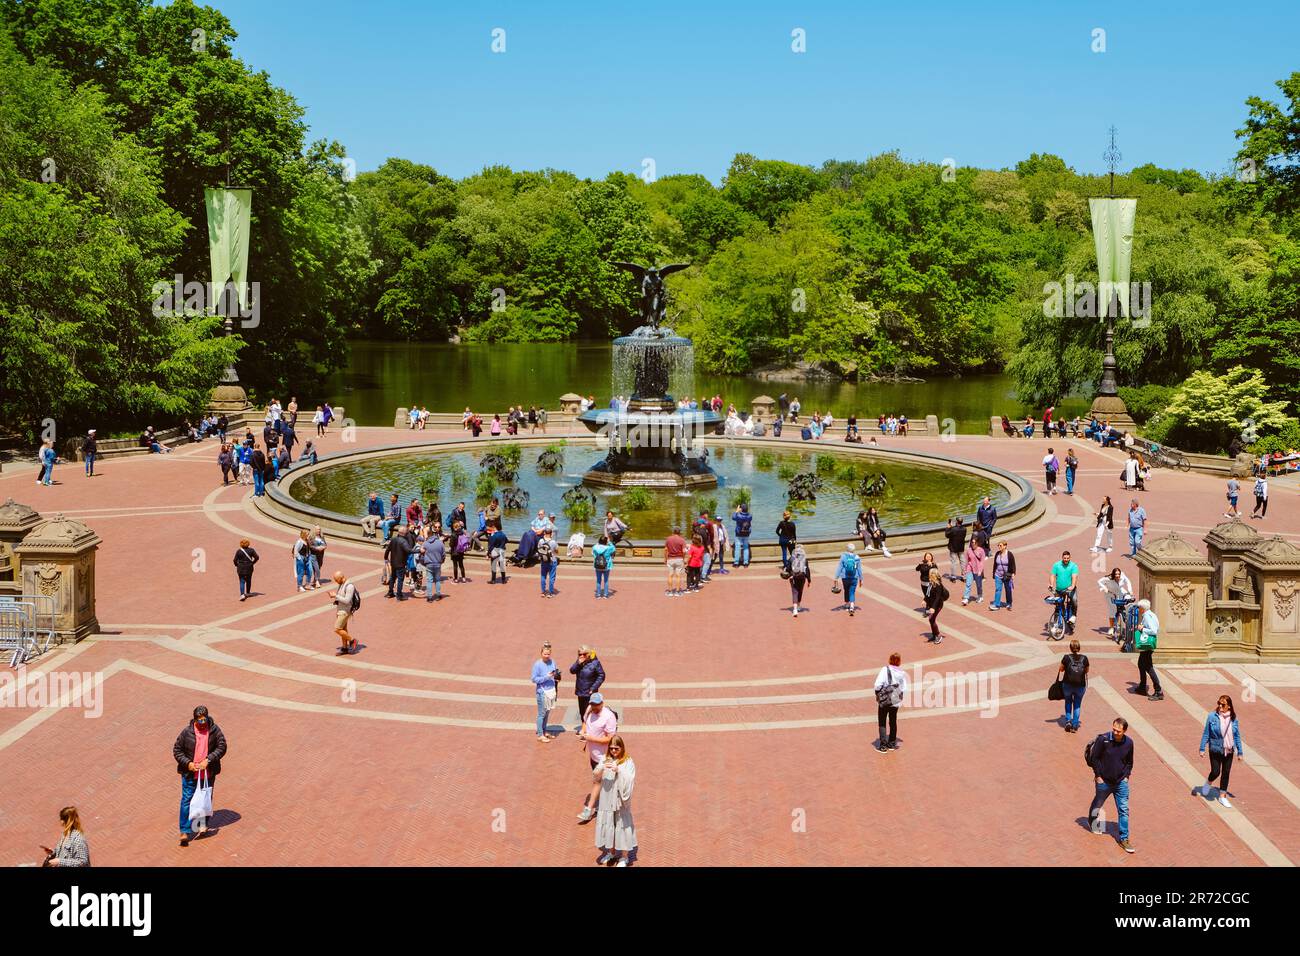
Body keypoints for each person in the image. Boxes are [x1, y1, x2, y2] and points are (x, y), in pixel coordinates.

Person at [173, 705, 227, 846]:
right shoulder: (186, 733)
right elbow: (177, 750)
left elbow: (222, 746)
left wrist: (208, 760)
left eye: (204, 720)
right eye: (200, 721)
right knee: (187, 800)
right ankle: (184, 831)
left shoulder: (214, 730)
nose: (202, 723)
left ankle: (201, 825)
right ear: (195, 719)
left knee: (204, 799)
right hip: (190, 774)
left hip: (208, 774)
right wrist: (188, 763)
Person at [1086, 717, 1136, 853]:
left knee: (1124, 810)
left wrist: (1126, 776)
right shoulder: (1104, 740)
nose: (1115, 732)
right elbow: (1094, 758)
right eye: (1113, 729)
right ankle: (1092, 819)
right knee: (1098, 803)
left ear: (1124, 731)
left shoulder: (1129, 743)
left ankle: (1124, 839)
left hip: (1121, 783)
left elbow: (1129, 762)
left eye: (1118, 731)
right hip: (1104, 782)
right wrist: (1098, 776)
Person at [594, 734, 637, 866]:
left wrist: (619, 770)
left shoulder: (627, 761)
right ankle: (611, 851)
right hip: (607, 800)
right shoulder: (605, 759)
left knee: (622, 825)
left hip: (620, 802)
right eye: (611, 748)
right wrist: (601, 768)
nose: (613, 751)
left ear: (622, 748)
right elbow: (595, 776)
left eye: (616, 748)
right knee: (609, 825)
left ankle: (624, 857)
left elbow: (630, 778)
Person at [577, 693, 618, 821]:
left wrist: (590, 738)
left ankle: (588, 810)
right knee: (604, 782)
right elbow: (585, 722)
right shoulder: (589, 710)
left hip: (605, 757)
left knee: (597, 781)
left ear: (602, 703)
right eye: (592, 704)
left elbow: (610, 739)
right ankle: (609, 805)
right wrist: (583, 731)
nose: (594, 707)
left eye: (596, 704)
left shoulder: (609, 717)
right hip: (593, 756)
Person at [1198, 695, 1245, 808]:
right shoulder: (1212, 716)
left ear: (1229, 706)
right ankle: (1208, 783)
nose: (1220, 706)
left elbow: (1237, 736)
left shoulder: (1234, 719)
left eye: (1223, 704)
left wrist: (1240, 752)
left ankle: (1222, 796)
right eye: (1218, 703)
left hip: (1229, 750)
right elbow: (1206, 733)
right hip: (1215, 749)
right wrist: (1202, 748)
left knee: (1226, 773)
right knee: (1215, 771)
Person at [873, 652, 908, 753]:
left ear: (890, 660)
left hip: (885, 700)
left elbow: (878, 684)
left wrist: (878, 693)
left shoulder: (885, 670)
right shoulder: (902, 673)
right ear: (899, 661)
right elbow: (904, 688)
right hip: (895, 701)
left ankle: (883, 746)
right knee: (893, 721)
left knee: (882, 721)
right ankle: (892, 743)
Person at [1131, 598, 1163, 700]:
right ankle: (1142, 686)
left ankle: (1158, 690)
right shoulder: (1151, 614)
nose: (1138, 609)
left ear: (1142, 608)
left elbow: (1153, 631)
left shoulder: (1147, 617)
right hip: (1148, 646)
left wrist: (1142, 629)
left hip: (1147, 645)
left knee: (1148, 667)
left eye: (1139, 607)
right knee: (1141, 664)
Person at [1056, 639, 1089, 733]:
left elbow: (1061, 669)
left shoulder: (1066, 657)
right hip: (1080, 685)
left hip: (1067, 684)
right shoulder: (1084, 658)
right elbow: (1087, 671)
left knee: (1068, 702)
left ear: (1070, 648)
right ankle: (1075, 725)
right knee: (1077, 705)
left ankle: (1068, 721)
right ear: (1079, 647)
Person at [531, 642, 561, 742]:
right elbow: (534, 679)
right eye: (545, 654)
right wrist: (546, 677)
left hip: (551, 690)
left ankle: (544, 731)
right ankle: (540, 734)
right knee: (541, 714)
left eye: (548, 654)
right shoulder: (537, 664)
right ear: (541, 653)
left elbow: (555, 672)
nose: (547, 656)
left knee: (547, 713)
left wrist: (557, 676)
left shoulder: (552, 662)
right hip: (542, 692)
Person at [569, 646, 606, 727]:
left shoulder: (595, 663)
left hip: (590, 692)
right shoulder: (579, 662)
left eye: (584, 654)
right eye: (580, 654)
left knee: (590, 711)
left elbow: (601, 675)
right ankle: (584, 728)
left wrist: (593, 688)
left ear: (588, 654)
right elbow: (572, 670)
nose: (582, 656)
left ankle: (589, 729)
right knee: (582, 711)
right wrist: (578, 663)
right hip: (580, 691)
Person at [1098, 567, 1134, 639]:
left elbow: (1128, 581)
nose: (1117, 576)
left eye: (1119, 574)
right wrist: (1105, 588)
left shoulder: (1122, 575)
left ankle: (1125, 618)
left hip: (1119, 591)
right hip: (1110, 594)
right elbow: (1099, 581)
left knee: (1127, 599)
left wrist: (1130, 590)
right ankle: (1111, 628)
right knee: (1112, 610)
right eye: (1116, 574)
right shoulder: (1108, 578)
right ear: (1113, 574)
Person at [1048, 549, 1079, 631]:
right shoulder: (1056, 565)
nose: (1066, 560)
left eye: (1067, 558)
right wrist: (1051, 584)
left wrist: (1072, 586)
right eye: (1064, 558)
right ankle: (1056, 623)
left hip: (1070, 589)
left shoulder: (1073, 566)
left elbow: (1074, 577)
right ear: (1062, 557)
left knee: (1074, 601)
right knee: (1058, 606)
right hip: (1059, 589)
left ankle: (1073, 617)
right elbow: (1052, 575)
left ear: (1070, 558)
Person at [329, 570, 358, 654]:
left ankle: (352, 640)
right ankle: (345, 648)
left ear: (341, 578)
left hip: (345, 611)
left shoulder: (349, 586)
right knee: (343, 629)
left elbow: (347, 600)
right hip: (340, 610)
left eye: (336, 580)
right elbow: (341, 597)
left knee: (337, 629)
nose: (336, 582)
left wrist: (336, 596)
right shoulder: (341, 584)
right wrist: (335, 597)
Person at [385, 525, 412, 599]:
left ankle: (390, 592)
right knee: (400, 579)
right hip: (401, 564)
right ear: (404, 533)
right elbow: (409, 550)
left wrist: (385, 558)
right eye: (407, 532)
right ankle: (399, 595)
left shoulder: (393, 539)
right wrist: (419, 550)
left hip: (393, 563)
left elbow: (388, 550)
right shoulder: (404, 541)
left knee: (392, 578)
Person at [835, 542, 862, 615]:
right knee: (852, 591)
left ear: (847, 549)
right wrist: (861, 578)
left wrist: (836, 577)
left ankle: (847, 605)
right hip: (854, 577)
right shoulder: (857, 557)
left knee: (846, 590)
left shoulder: (843, 556)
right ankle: (852, 606)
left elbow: (840, 567)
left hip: (845, 577)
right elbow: (859, 569)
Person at [420, 528, 446, 601]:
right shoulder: (440, 543)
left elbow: (421, 551)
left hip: (429, 564)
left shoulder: (425, 543)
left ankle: (429, 596)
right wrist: (442, 561)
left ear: (428, 535)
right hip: (438, 563)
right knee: (437, 580)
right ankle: (438, 594)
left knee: (429, 580)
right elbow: (443, 554)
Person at [990, 540, 1016, 610]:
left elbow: (1013, 564)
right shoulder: (997, 554)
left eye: (1000, 545)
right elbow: (995, 564)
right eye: (998, 545)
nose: (999, 547)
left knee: (1008, 590)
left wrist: (1013, 573)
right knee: (998, 589)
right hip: (998, 574)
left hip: (1007, 576)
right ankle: (996, 604)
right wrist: (993, 574)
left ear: (1005, 546)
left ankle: (1009, 603)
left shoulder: (1009, 554)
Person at [924, 568, 948, 643]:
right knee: (931, 620)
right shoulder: (931, 583)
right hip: (932, 604)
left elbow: (937, 598)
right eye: (930, 574)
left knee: (931, 619)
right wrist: (924, 600)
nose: (930, 575)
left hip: (938, 605)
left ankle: (938, 635)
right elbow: (928, 593)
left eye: (931, 574)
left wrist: (933, 608)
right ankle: (934, 635)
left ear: (935, 575)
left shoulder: (938, 585)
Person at [962, 536, 986, 606]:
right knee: (968, 583)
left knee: (979, 585)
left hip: (978, 570)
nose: (973, 544)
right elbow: (966, 561)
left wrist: (980, 571)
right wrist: (964, 570)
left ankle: (980, 595)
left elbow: (982, 562)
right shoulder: (968, 550)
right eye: (972, 542)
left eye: (974, 542)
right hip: (970, 569)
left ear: (977, 543)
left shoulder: (981, 550)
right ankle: (966, 598)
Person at [788, 542, 810, 616]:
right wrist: (809, 580)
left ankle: (794, 609)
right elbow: (807, 570)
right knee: (800, 591)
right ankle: (799, 605)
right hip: (802, 577)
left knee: (794, 592)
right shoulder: (805, 559)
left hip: (793, 577)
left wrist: (789, 575)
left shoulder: (791, 558)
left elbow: (788, 569)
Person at [664, 526, 687, 596]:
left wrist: (665, 558)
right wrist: (683, 558)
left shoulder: (668, 539)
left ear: (673, 531)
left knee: (670, 575)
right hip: (679, 559)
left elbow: (665, 550)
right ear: (679, 532)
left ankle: (670, 591)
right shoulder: (682, 540)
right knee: (678, 576)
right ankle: (677, 591)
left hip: (670, 559)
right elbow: (684, 551)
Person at [591, 534, 615, 598]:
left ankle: (598, 594)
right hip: (606, 566)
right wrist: (609, 542)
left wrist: (599, 542)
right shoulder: (609, 548)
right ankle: (606, 595)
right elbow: (614, 548)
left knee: (598, 580)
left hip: (597, 566)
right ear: (606, 542)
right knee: (606, 580)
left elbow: (593, 553)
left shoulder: (595, 547)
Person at [537, 527, 559, 597]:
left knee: (543, 576)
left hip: (543, 561)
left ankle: (543, 592)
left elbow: (539, 549)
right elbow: (557, 551)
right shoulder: (553, 542)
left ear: (544, 533)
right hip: (552, 561)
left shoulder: (541, 541)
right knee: (552, 577)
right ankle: (550, 593)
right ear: (551, 534)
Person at [944, 516, 966, 582]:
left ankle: (953, 577)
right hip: (961, 547)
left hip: (953, 548)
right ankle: (964, 576)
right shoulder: (964, 529)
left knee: (953, 562)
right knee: (962, 562)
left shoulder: (953, 529)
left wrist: (948, 528)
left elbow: (947, 535)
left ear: (957, 522)